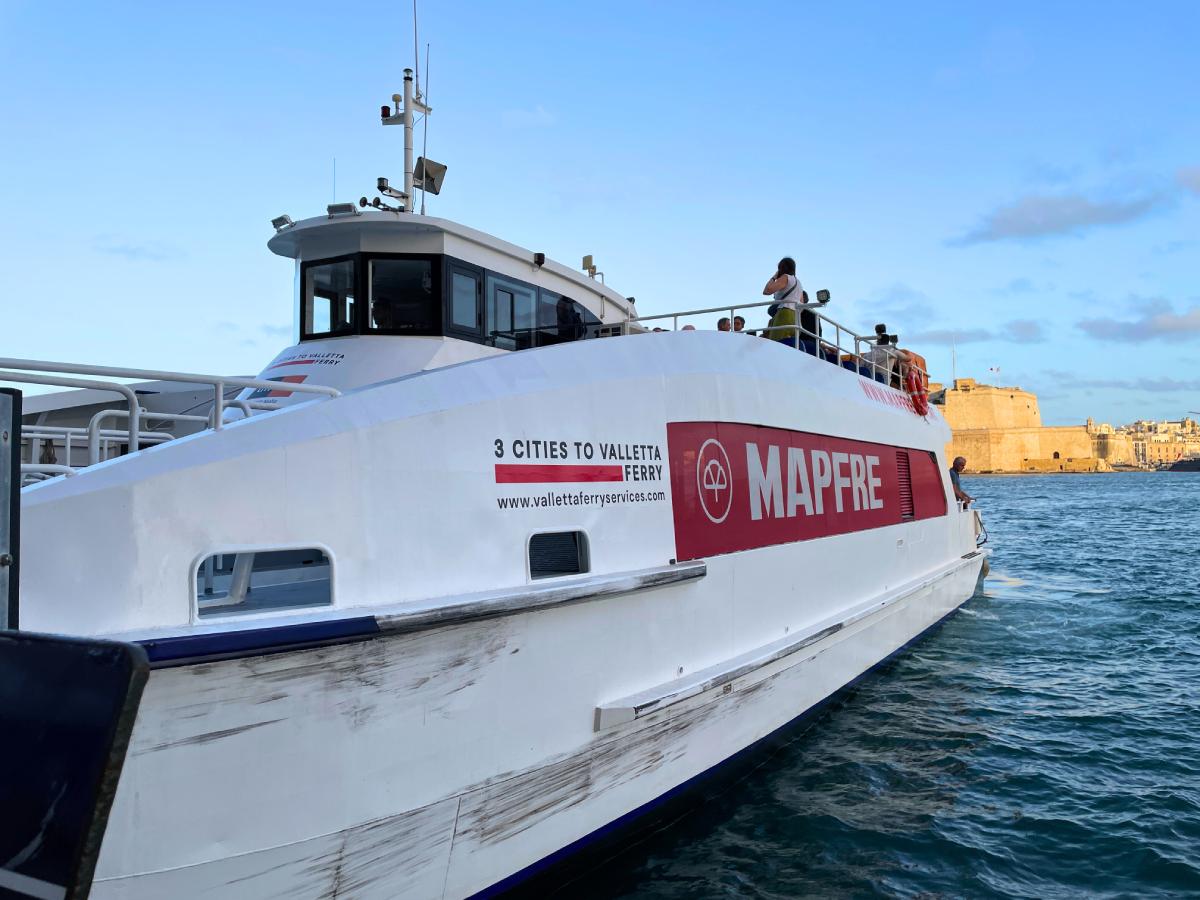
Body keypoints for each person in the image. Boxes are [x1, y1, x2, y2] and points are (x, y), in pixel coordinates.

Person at [762, 258, 818, 353]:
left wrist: (774, 277)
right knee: (790, 347)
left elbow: (767, 291)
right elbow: (802, 305)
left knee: (775, 344)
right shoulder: (799, 283)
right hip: (796, 319)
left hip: (784, 314)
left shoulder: (786, 277)